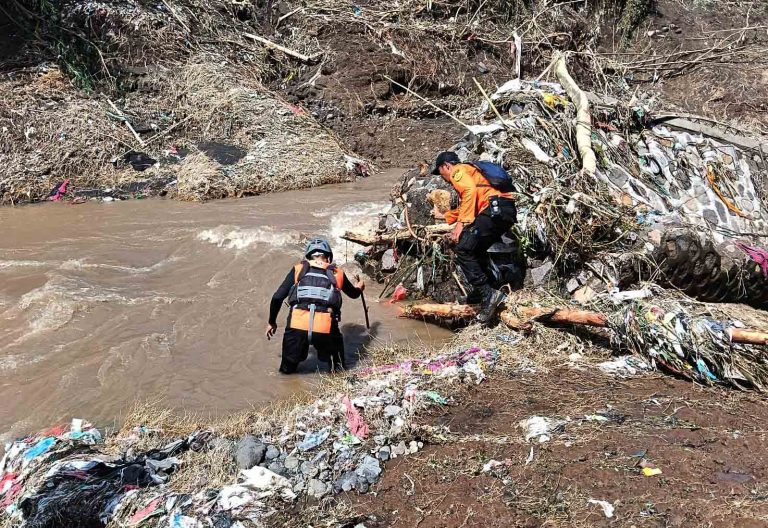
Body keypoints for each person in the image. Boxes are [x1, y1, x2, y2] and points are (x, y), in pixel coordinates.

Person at [432, 151, 517, 324]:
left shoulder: (458, 171)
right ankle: (487, 290)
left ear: (446, 166)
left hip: (494, 210)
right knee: (475, 249)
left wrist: (460, 225)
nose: (444, 178)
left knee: (463, 248)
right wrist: (447, 216)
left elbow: (470, 192)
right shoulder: (474, 174)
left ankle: (489, 294)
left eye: (441, 173)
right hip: (503, 210)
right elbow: (474, 199)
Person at [266, 238, 365, 374]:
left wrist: (272, 322)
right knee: (339, 370)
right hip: (325, 328)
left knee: (286, 373)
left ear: (308, 257)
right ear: (328, 258)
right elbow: (354, 294)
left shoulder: (298, 269)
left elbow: (277, 297)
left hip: (296, 327)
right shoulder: (338, 273)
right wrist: (359, 288)